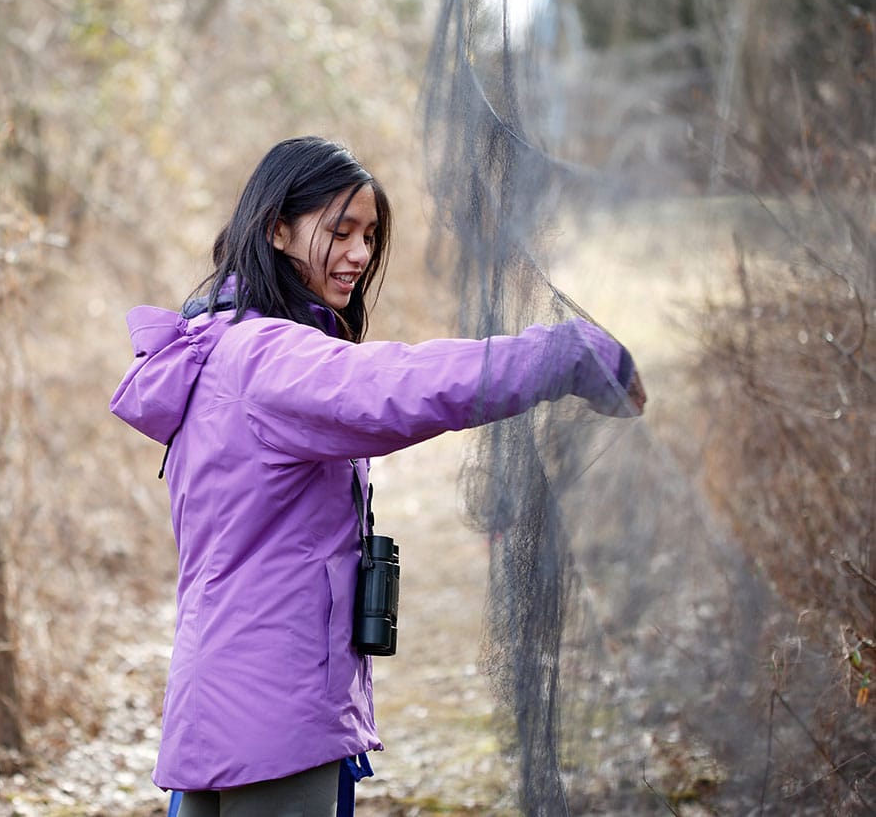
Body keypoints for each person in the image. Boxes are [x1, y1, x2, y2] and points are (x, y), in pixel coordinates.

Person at [109, 135, 645, 817]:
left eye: (369, 235)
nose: (360, 255)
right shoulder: (268, 359)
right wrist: (562, 355)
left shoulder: (219, 343)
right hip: (278, 718)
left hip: (218, 702)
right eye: (340, 232)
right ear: (277, 228)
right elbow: (401, 384)